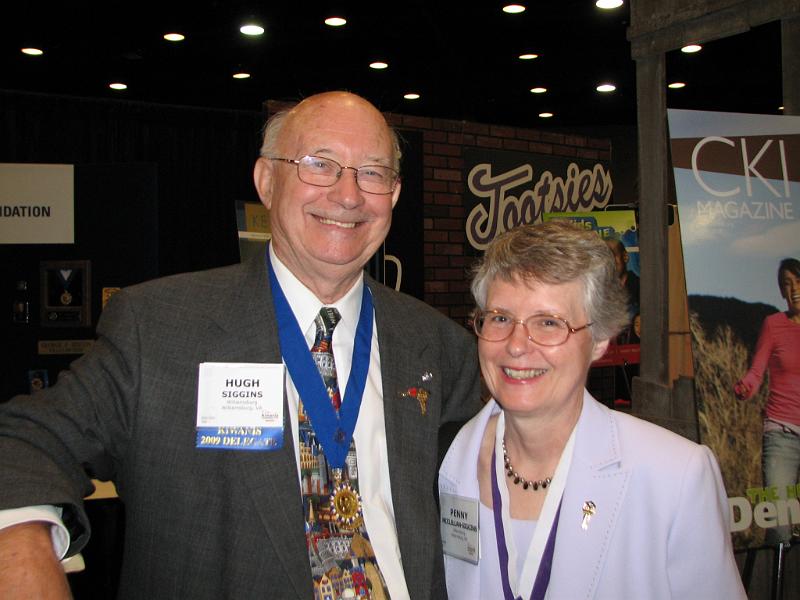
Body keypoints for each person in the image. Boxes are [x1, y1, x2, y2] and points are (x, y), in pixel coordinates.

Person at [0, 91, 481, 599]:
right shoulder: (160, 327)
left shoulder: (438, 346)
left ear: (395, 194)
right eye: (320, 165)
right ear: (267, 181)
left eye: (372, 173)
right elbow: (24, 440)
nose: (348, 195)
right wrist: (22, 552)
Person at [439, 221, 745, 599]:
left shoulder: (675, 477)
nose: (517, 346)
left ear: (600, 338)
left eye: (549, 322)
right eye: (501, 317)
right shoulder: (447, 462)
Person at [735, 257, 800, 545]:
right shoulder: (773, 325)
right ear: (782, 292)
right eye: (787, 284)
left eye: (798, 281)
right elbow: (757, 370)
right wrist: (746, 387)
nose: (794, 289)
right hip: (782, 433)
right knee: (780, 525)